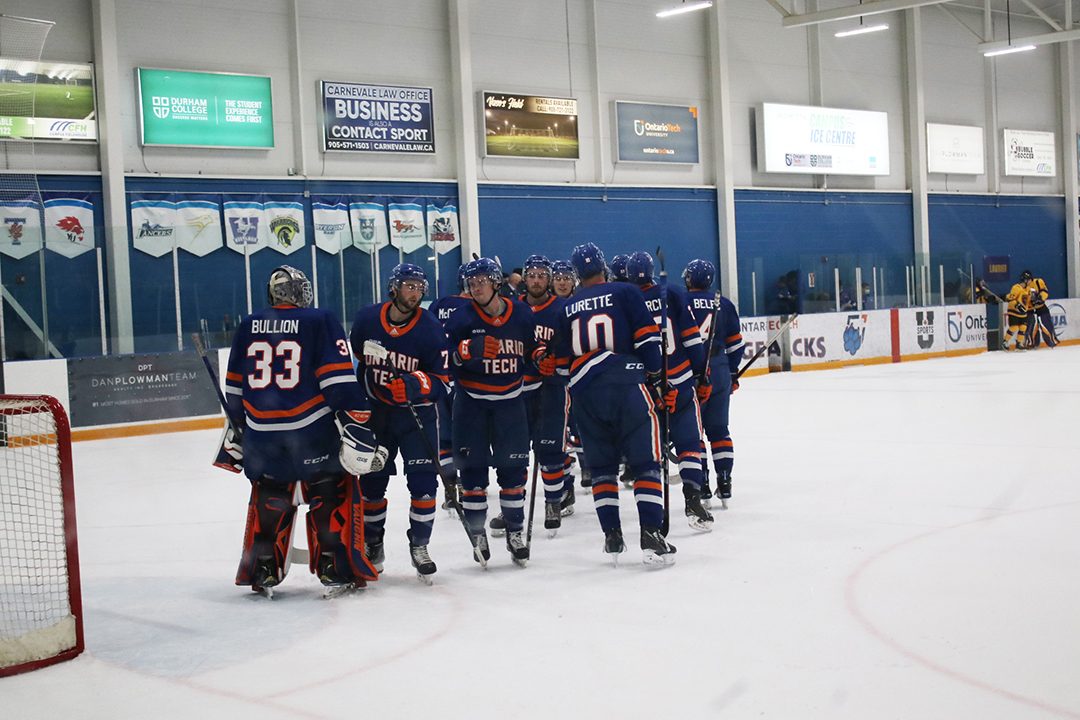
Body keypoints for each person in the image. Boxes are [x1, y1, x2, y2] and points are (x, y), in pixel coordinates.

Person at [219, 265, 383, 597]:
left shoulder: (249, 324)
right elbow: (336, 381)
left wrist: (242, 427)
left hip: (262, 434)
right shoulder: (319, 320)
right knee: (329, 492)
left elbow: (234, 390)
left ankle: (262, 567)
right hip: (310, 431)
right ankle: (334, 569)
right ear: (300, 291)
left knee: (271, 495)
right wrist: (359, 419)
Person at [555, 242, 677, 566]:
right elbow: (648, 342)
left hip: (585, 395)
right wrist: (654, 377)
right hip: (626, 386)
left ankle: (612, 536)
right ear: (604, 266)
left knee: (602, 467)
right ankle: (651, 534)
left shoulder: (566, 307)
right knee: (645, 462)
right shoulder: (625, 292)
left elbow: (561, 364)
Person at [348, 263, 452, 584]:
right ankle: (374, 542)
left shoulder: (430, 328)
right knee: (371, 486)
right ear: (393, 287)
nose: (415, 292)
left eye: (420, 287)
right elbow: (357, 358)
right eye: (409, 285)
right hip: (376, 416)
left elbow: (443, 381)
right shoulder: (367, 319)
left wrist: (415, 384)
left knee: (423, 486)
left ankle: (420, 545)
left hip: (416, 417)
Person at [444, 257, 550, 566]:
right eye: (471, 283)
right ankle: (478, 533)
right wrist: (464, 352)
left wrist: (540, 356)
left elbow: (531, 349)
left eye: (481, 282)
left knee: (513, 470)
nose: (476, 288)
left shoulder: (520, 313)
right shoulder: (461, 318)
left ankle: (515, 531)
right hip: (471, 405)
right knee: (473, 472)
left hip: (510, 403)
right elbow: (442, 360)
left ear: (496, 283)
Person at [627, 251, 712, 532]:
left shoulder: (625, 300)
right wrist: (702, 375)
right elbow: (691, 340)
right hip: (682, 380)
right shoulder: (673, 293)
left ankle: (651, 517)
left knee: (650, 451)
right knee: (689, 443)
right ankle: (693, 500)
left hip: (647, 388)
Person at [518, 254, 573, 533]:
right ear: (525, 279)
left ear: (548, 279)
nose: (537, 280)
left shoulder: (563, 308)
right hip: (518, 390)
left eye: (542, 275)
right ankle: (514, 509)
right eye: (532, 275)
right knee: (516, 452)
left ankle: (553, 501)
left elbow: (575, 348)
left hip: (553, 388)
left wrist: (559, 362)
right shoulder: (513, 309)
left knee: (550, 448)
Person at [683, 259, 742, 510]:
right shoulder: (724, 304)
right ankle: (725, 480)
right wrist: (732, 372)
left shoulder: (680, 301)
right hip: (718, 370)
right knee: (719, 430)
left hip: (690, 372)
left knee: (694, 433)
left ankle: (703, 483)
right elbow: (736, 345)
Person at [1024, 271, 1059, 348]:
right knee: (1031, 327)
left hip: (1041, 307)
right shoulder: (1023, 287)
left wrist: (1040, 298)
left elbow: (1044, 291)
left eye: (1027, 279)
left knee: (1047, 325)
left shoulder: (1038, 282)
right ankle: (1033, 343)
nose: (1025, 281)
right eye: (1024, 280)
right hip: (1030, 309)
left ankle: (1052, 341)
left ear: (1030, 278)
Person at [1002, 271, 1035, 351]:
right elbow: (1011, 299)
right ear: (1025, 280)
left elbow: (1029, 300)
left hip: (1023, 312)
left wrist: (1034, 300)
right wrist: (1017, 305)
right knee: (1014, 327)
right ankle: (1005, 342)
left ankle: (1019, 344)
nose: (1031, 281)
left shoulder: (1028, 289)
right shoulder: (1016, 288)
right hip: (1013, 311)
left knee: (1023, 327)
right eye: (1029, 280)